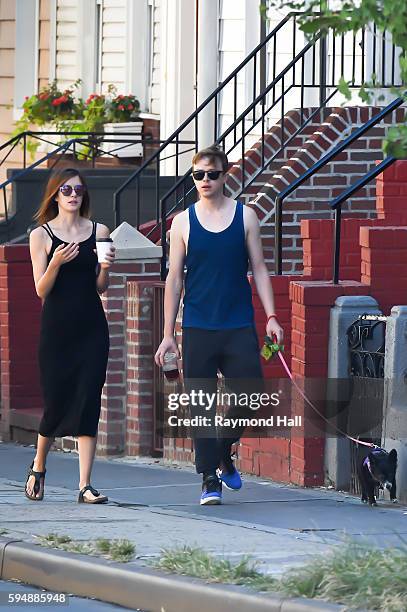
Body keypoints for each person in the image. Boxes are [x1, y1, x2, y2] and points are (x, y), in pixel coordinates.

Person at [155, 145, 283, 505]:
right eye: (199, 175)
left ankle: (224, 448)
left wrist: (272, 316)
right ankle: (209, 478)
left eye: (213, 174)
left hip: (238, 323)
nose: (206, 181)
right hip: (197, 326)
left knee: (252, 392)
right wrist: (168, 335)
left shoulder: (246, 217)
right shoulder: (182, 222)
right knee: (201, 404)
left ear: (225, 176)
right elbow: (175, 279)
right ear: (193, 178)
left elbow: (258, 267)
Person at [25, 167, 115, 504]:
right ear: (54, 195)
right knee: (57, 401)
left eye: (78, 189)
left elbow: (101, 287)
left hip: (92, 327)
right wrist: (56, 262)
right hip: (57, 330)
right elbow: (41, 290)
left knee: (89, 398)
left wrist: (105, 267)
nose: (73, 195)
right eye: (65, 190)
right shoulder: (41, 236)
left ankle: (85, 485)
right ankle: (38, 465)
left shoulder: (99, 230)